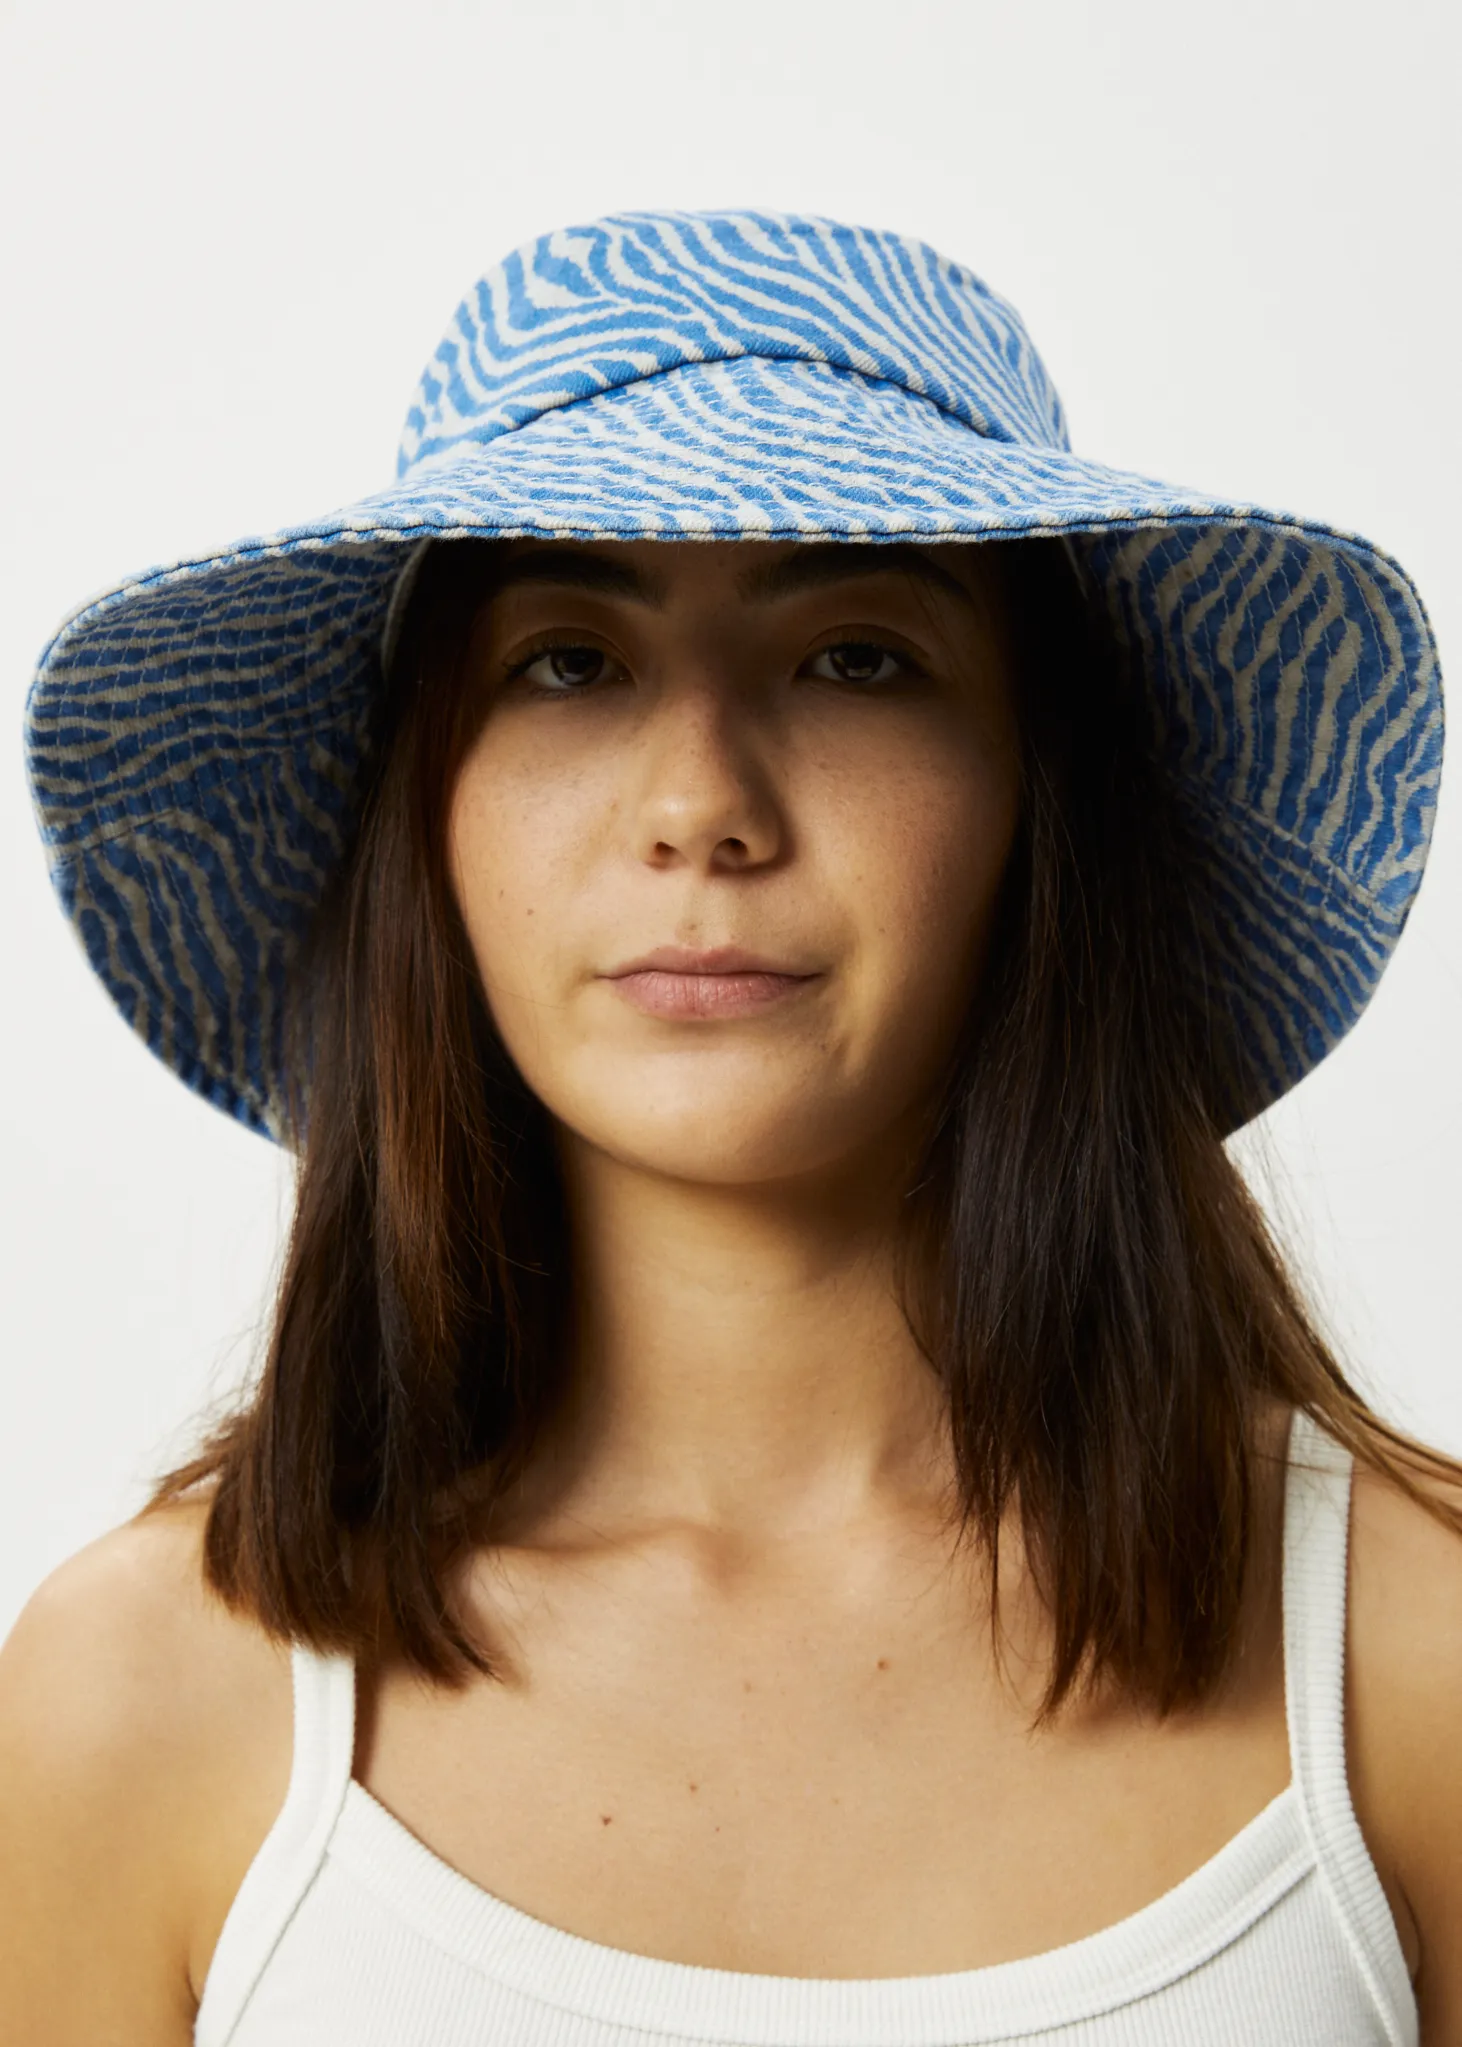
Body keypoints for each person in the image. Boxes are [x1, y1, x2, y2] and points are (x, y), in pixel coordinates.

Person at [2, 210, 1459, 2045]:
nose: (699, 802)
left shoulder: (1412, 1662)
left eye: (854, 655)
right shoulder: (140, 1697)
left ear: (1038, 803)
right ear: (423, 824)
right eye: (564, 660)